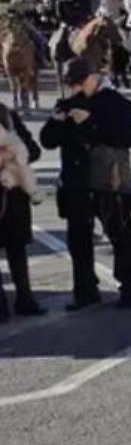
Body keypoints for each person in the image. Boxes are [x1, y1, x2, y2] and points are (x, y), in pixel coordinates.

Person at [40, 58, 131, 311]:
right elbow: (47, 140)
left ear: (95, 76)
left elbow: (125, 138)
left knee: (120, 234)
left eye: (79, 81)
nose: (75, 87)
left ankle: (128, 286)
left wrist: (89, 122)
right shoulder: (67, 102)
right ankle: (85, 290)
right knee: (78, 240)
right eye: (70, 83)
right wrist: (57, 120)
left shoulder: (117, 103)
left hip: (108, 180)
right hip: (76, 181)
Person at [0, 103, 43, 321]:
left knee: (17, 247)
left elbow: (34, 150)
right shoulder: (7, 115)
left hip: (14, 194)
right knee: (15, 249)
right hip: (13, 192)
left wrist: (13, 155)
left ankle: (22, 301)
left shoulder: (8, 115)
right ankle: (13, 303)